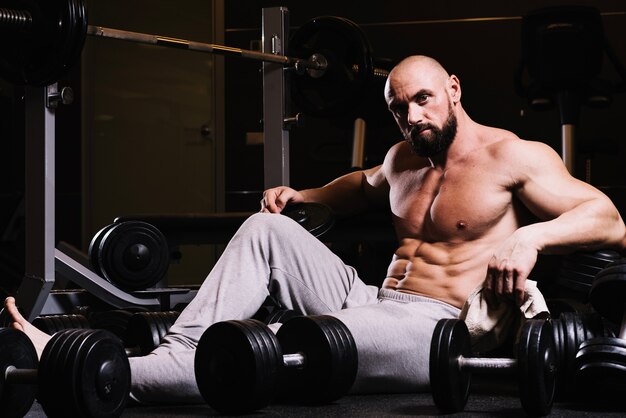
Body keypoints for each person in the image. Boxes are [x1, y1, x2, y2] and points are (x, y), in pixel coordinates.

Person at [5, 55, 626, 405]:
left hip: (438, 324)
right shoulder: (403, 157)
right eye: (400, 109)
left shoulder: (515, 157)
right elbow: (360, 184)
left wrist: (530, 239)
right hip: (371, 299)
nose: (414, 117)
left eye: (426, 100)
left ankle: (88, 367)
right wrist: (301, 195)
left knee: (264, 344)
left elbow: (611, 220)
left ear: (454, 90)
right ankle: (179, 353)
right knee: (264, 229)